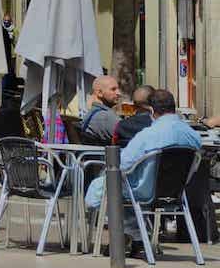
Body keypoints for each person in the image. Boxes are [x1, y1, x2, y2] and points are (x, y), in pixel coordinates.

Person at [85, 90, 201, 257]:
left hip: (144, 191)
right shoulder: (193, 136)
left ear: (152, 112)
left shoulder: (147, 135)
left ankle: (129, 235)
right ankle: (138, 236)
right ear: (174, 108)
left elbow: (121, 164)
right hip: (177, 193)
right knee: (122, 188)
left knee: (107, 185)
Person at [81, 75, 121, 144]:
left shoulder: (91, 113)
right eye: (113, 89)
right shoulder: (106, 117)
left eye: (118, 89)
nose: (118, 93)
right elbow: (131, 137)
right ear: (99, 93)